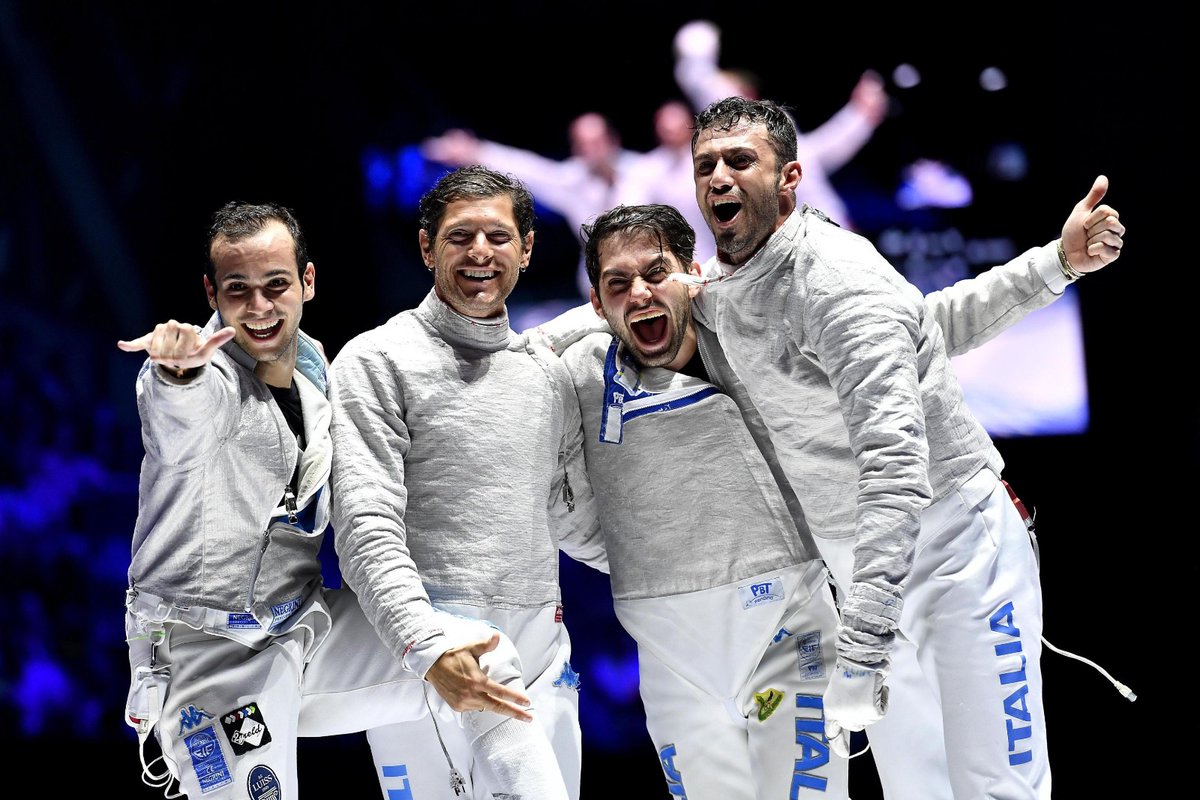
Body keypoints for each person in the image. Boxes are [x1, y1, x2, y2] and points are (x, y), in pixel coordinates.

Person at [683, 96, 1124, 799]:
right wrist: (1054, 264)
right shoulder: (723, 287)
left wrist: (861, 644)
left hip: (955, 554)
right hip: (866, 571)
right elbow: (924, 328)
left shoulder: (834, 276)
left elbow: (894, 467)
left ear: (791, 179)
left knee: (996, 791)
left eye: (741, 161)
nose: (719, 178)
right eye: (706, 164)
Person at [117, 201, 567, 800]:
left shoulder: (314, 377)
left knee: (478, 651)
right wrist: (175, 373)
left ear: (307, 281)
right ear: (211, 292)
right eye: (238, 289)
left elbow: (518, 341)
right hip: (211, 652)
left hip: (305, 629)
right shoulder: (207, 376)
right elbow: (179, 423)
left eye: (276, 285)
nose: (259, 306)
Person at [327, 166, 607, 800]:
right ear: (427, 247)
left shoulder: (544, 373)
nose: (481, 252)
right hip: (427, 662)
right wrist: (424, 647)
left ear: (527, 248)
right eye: (460, 237)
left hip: (539, 659)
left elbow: (572, 519)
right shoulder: (377, 360)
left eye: (498, 236)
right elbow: (365, 525)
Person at [672, 19, 888, 231]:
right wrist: (860, 116)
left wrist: (696, 52)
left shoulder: (768, 129)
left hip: (826, 232)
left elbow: (700, 81)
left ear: (748, 94)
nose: (723, 96)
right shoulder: (754, 136)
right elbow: (825, 149)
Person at [422, 113, 642, 299]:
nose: (590, 151)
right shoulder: (574, 180)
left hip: (647, 278)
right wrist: (476, 151)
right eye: (582, 144)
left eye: (596, 142)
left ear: (613, 140)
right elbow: (531, 170)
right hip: (601, 290)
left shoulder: (645, 173)